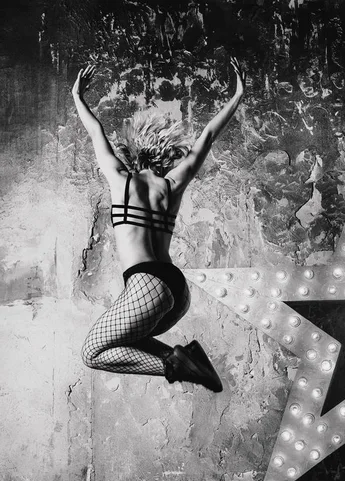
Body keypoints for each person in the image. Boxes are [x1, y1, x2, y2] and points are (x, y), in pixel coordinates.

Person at [72, 58, 246, 391]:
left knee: (93, 352)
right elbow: (207, 137)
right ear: (166, 155)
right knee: (127, 342)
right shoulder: (171, 185)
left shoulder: (121, 179)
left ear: (132, 152)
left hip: (146, 285)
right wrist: (237, 95)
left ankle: (181, 364)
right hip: (176, 294)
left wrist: (78, 95)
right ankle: (187, 360)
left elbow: (95, 130)